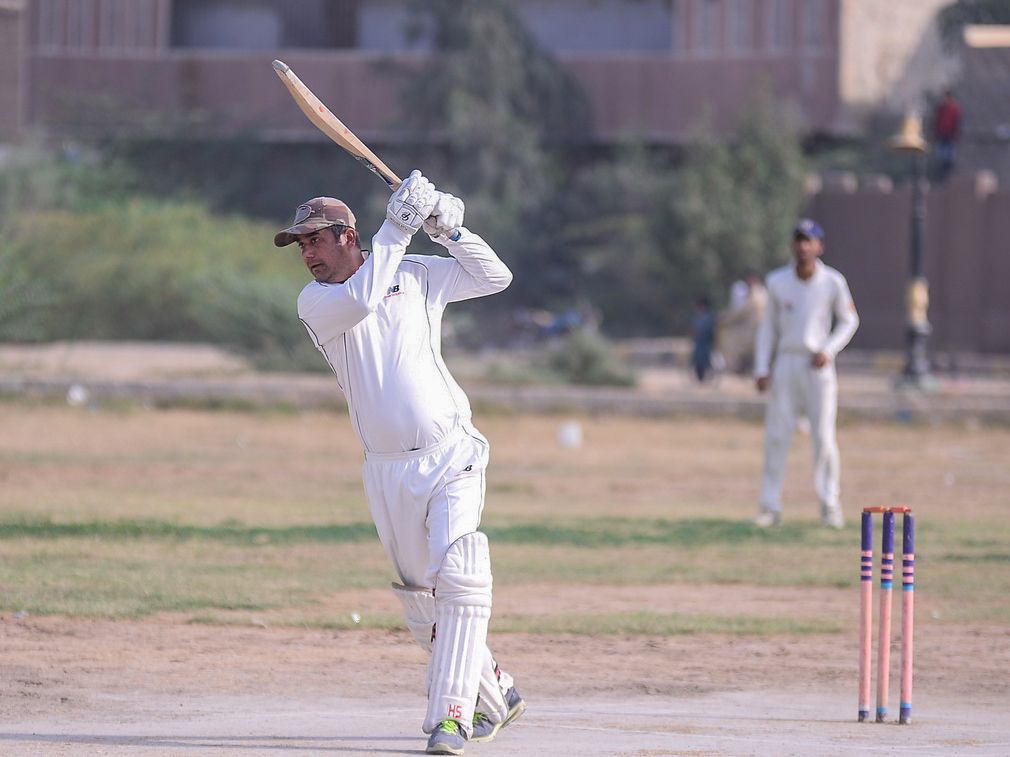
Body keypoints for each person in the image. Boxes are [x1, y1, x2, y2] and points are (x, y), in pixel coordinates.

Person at [274, 171, 525, 755]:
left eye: (315, 239)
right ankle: (498, 692)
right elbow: (365, 297)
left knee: (459, 571)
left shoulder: (415, 274)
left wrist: (450, 231)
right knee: (422, 605)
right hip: (387, 470)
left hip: (452, 453)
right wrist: (398, 226)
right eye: (301, 244)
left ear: (347, 235)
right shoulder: (318, 302)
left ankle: (450, 718)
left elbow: (496, 277)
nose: (307, 253)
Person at [752, 219, 859, 529]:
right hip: (787, 361)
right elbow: (767, 330)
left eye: (808, 241)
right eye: (798, 240)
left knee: (823, 437)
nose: (803, 246)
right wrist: (762, 368)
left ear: (819, 246)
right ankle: (769, 506)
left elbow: (849, 321)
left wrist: (829, 349)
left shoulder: (832, 282)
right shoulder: (777, 281)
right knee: (777, 436)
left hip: (818, 364)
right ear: (793, 245)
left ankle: (830, 505)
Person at [718, 270, 767, 375]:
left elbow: (741, 312)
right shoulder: (762, 292)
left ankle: (735, 367)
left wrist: (724, 319)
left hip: (754, 330)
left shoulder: (755, 295)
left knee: (730, 340)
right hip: (759, 329)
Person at [932, 90, 962, 182]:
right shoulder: (941, 108)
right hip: (941, 134)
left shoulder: (954, 108)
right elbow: (937, 121)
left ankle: (947, 174)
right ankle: (941, 175)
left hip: (950, 135)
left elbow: (957, 122)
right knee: (941, 156)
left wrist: (955, 134)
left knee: (949, 157)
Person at [690, 295, 716, 382]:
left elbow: (705, 329)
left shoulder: (707, 317)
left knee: (701, 359)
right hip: (701, 341)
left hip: (704, 341)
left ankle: (702, 376)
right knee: (698, 359)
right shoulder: (703, 316)